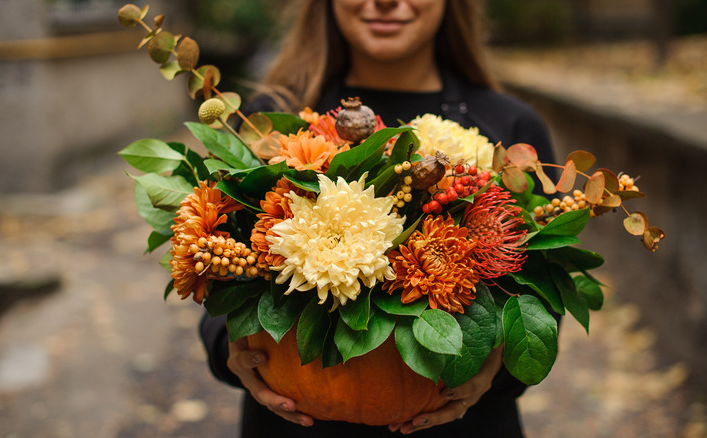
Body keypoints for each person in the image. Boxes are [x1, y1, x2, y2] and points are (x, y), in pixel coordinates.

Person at [199, 0, 556, 436]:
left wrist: (497, 366)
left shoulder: (510, 128)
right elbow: (216, 272)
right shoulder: (263, 126)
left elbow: (548, 291)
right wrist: (232, 349)